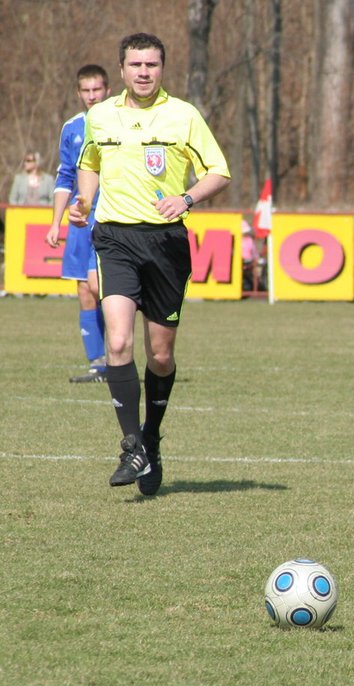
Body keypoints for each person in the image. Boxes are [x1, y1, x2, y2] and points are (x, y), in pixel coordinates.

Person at [69, 32, 230, 495]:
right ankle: (130, 445)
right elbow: (90, 161)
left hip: (165, 244)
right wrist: (84, 198)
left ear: (162, 68)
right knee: (118, 342)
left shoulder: (183, 116)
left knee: (160, 354)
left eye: (152, 65)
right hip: (115, 238)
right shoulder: (100, 116)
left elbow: (219, 171)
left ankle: (152, 438)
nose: (144, 72)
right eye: (136, 64)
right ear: (121, 70)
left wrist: (186, 198)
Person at [46, 64, 111, 384]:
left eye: (97, 89)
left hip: (111, 218)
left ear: (108, 90)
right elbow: (65, 176)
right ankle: (98, 363)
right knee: (84, 290)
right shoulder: (72, 128)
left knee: (102, 286)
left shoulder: (118, 124)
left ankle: (118, 356)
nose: (92, 96)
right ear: (78, 93)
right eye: (86, 91)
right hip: (80, 222)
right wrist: (56, 222)